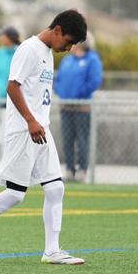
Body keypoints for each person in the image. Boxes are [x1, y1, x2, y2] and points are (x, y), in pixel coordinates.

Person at [0, 10, 88, 266]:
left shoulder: (46, 53)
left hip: (40, 131)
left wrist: (38, 123)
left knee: (56, 187)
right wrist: (31, 120)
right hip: (25, 131)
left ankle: (52, 250)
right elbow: (13, 86)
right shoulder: (29, 49)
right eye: (68, 42)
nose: (68, 48)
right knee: (15, 194)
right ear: (57, 30)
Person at [54, 34, 103, 182]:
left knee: (82, 139)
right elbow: (58, 79)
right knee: (67, 140)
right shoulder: (67, 60)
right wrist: (60, 92)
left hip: (82, 107)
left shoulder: (92, 59)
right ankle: (69, 170)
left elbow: (94, 81)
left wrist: (78, 94)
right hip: (65, 106)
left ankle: (82, 170)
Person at [0, 26, 20, 108]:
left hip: (18, 96)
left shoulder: (20, 51)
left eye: (3, 35)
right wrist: (2, 89)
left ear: (10, 37)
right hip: (2, 96)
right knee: (2, 120)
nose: (0, 38)